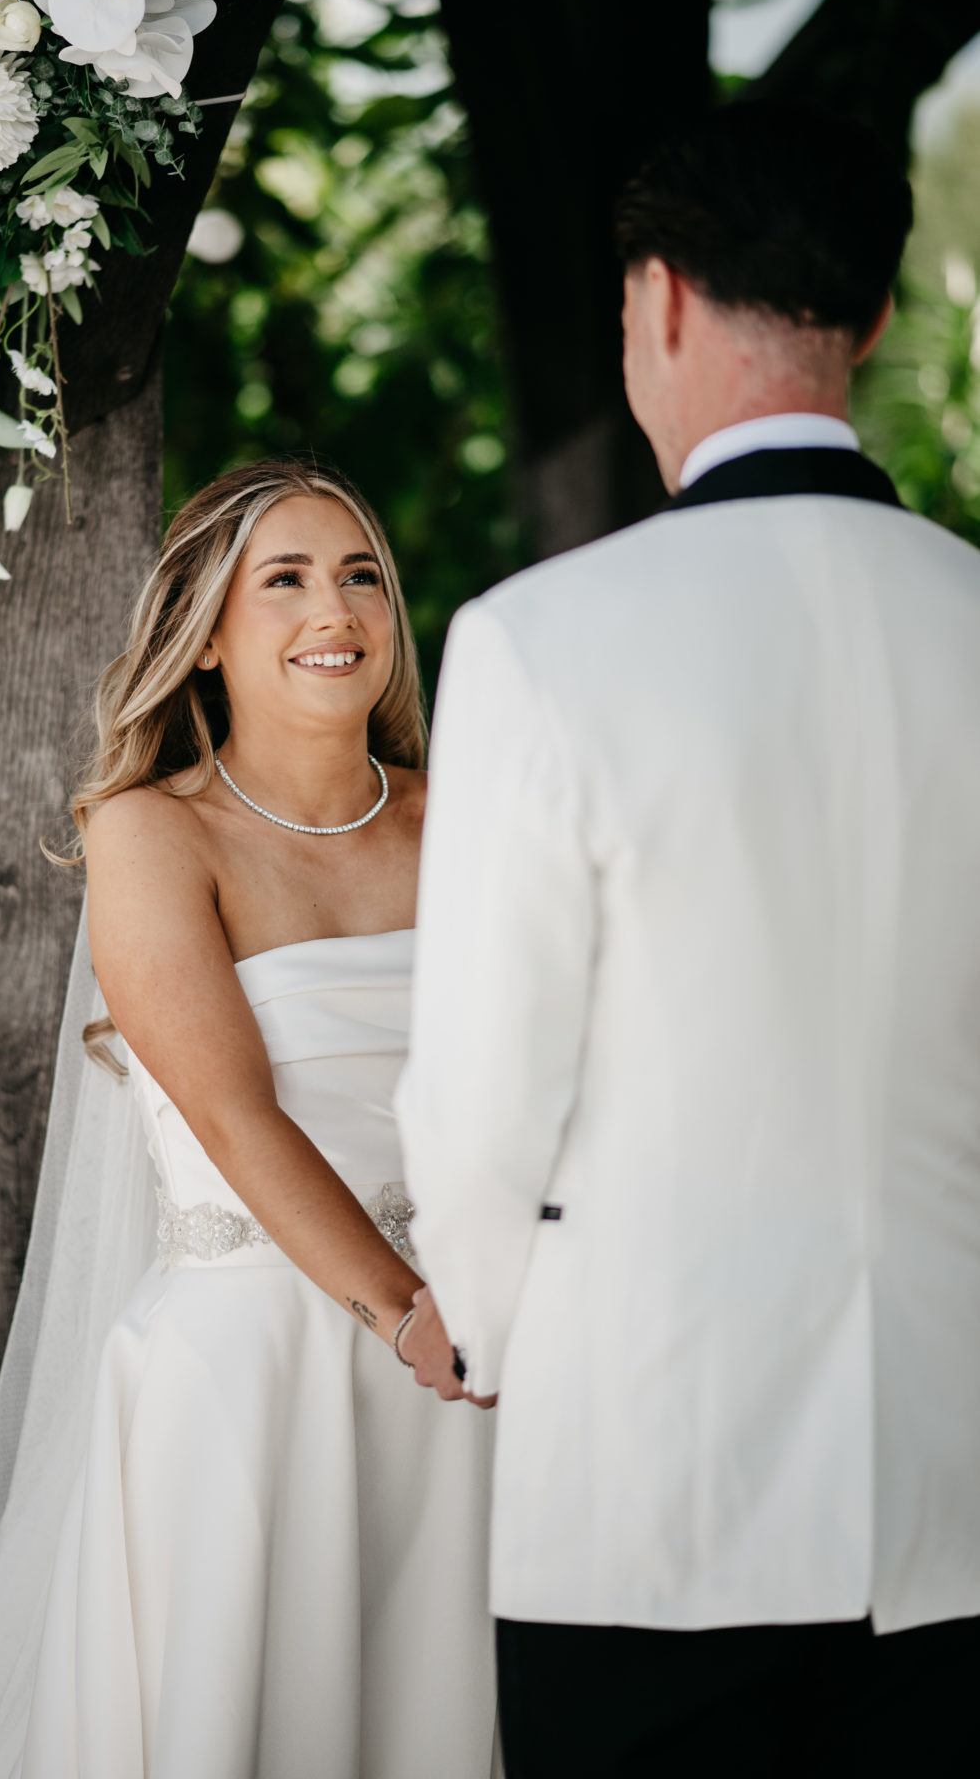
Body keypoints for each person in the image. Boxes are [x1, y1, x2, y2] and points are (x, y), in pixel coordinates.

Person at [396, 101, 980, 1773]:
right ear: (870, 320)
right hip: (952, 1480)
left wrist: (504, 1340)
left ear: (655, 298)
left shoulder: (541, 643)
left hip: (656, 1474)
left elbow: (481, 1101)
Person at [0, 460, 498, 1779]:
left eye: (359, 573)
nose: (335, 608)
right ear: (205, 634)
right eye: (285, 580)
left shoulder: (473, 822)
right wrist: (402, 1312)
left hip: (472, 1358)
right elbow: (226, 1108)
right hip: (260, 1368)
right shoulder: (152, 833)